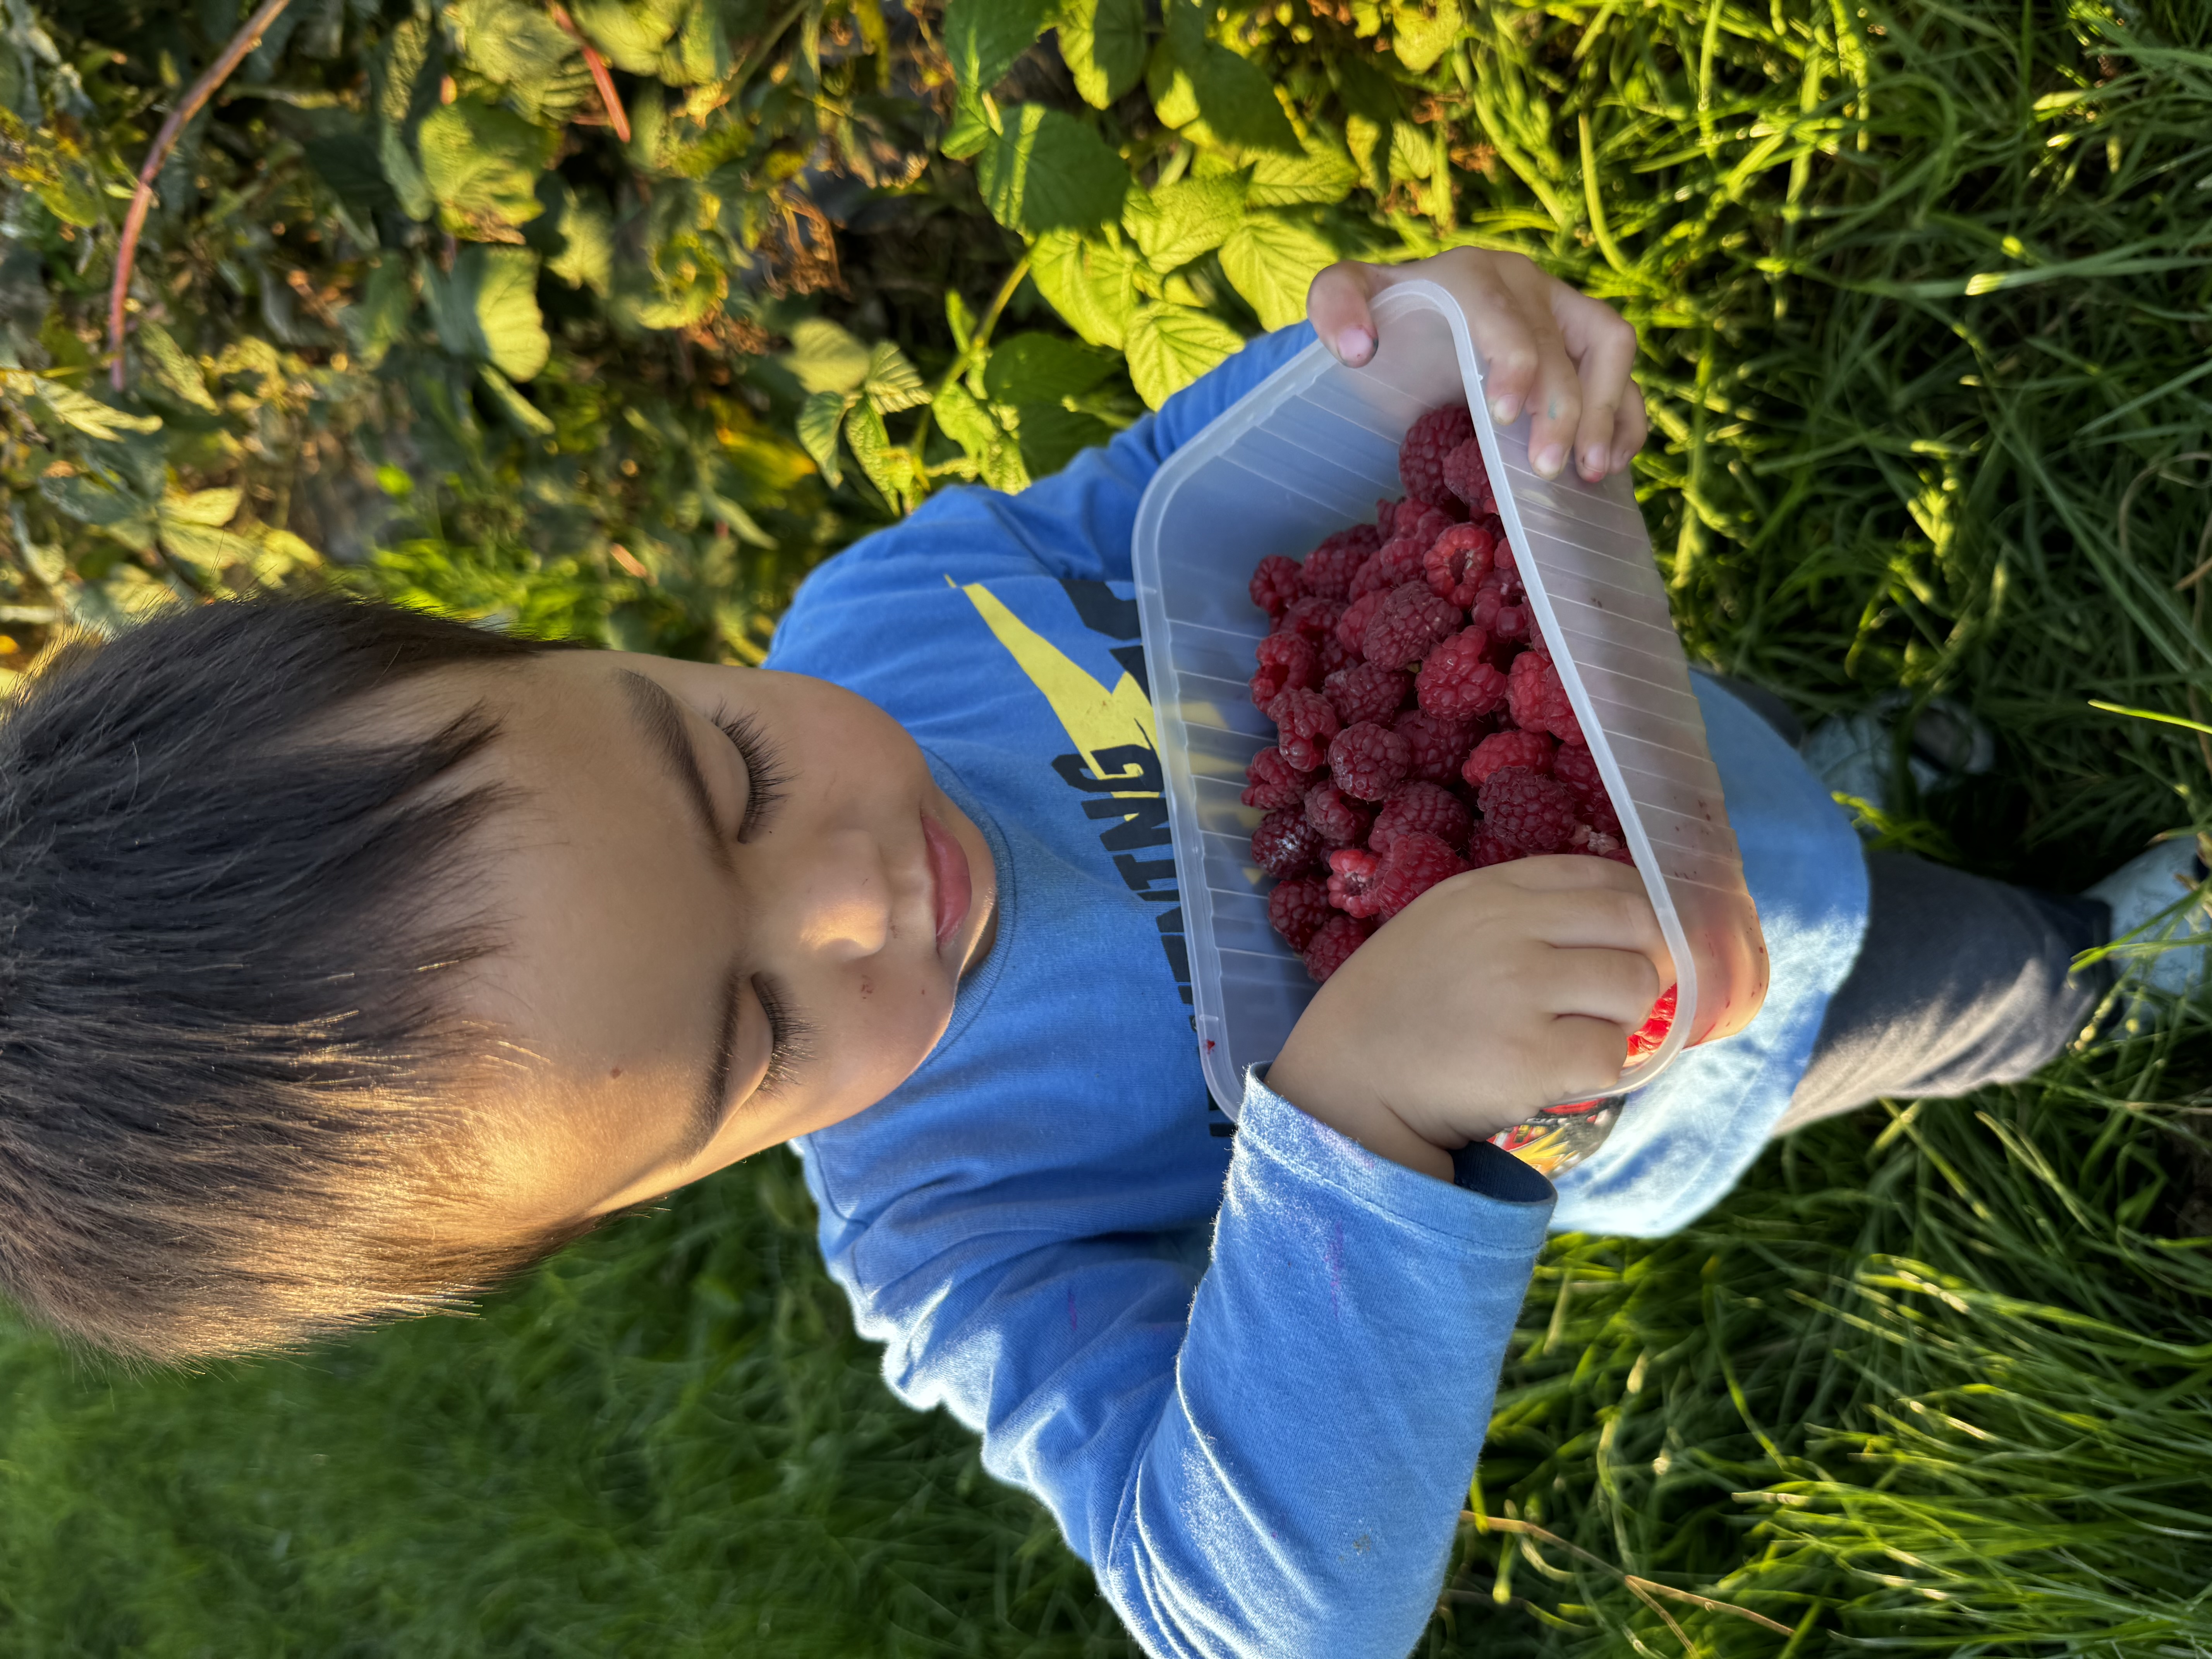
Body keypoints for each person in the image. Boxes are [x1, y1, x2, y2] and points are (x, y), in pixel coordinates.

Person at [0, 249, 2197, 1659]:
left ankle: (1836, 751)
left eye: (729, 772)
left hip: (1647, 742)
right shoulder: (960, 1224)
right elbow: (1253, 1618)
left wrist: (1403, 358)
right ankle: (2080, 958)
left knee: (1760, 776)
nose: (857, 892)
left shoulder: (884, 618)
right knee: (1935, 975)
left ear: (596, 648)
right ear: (641, 1193)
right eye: (759, 1031)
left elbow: (1154, 503)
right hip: (1713, 1028)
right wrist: (1353, 1124)